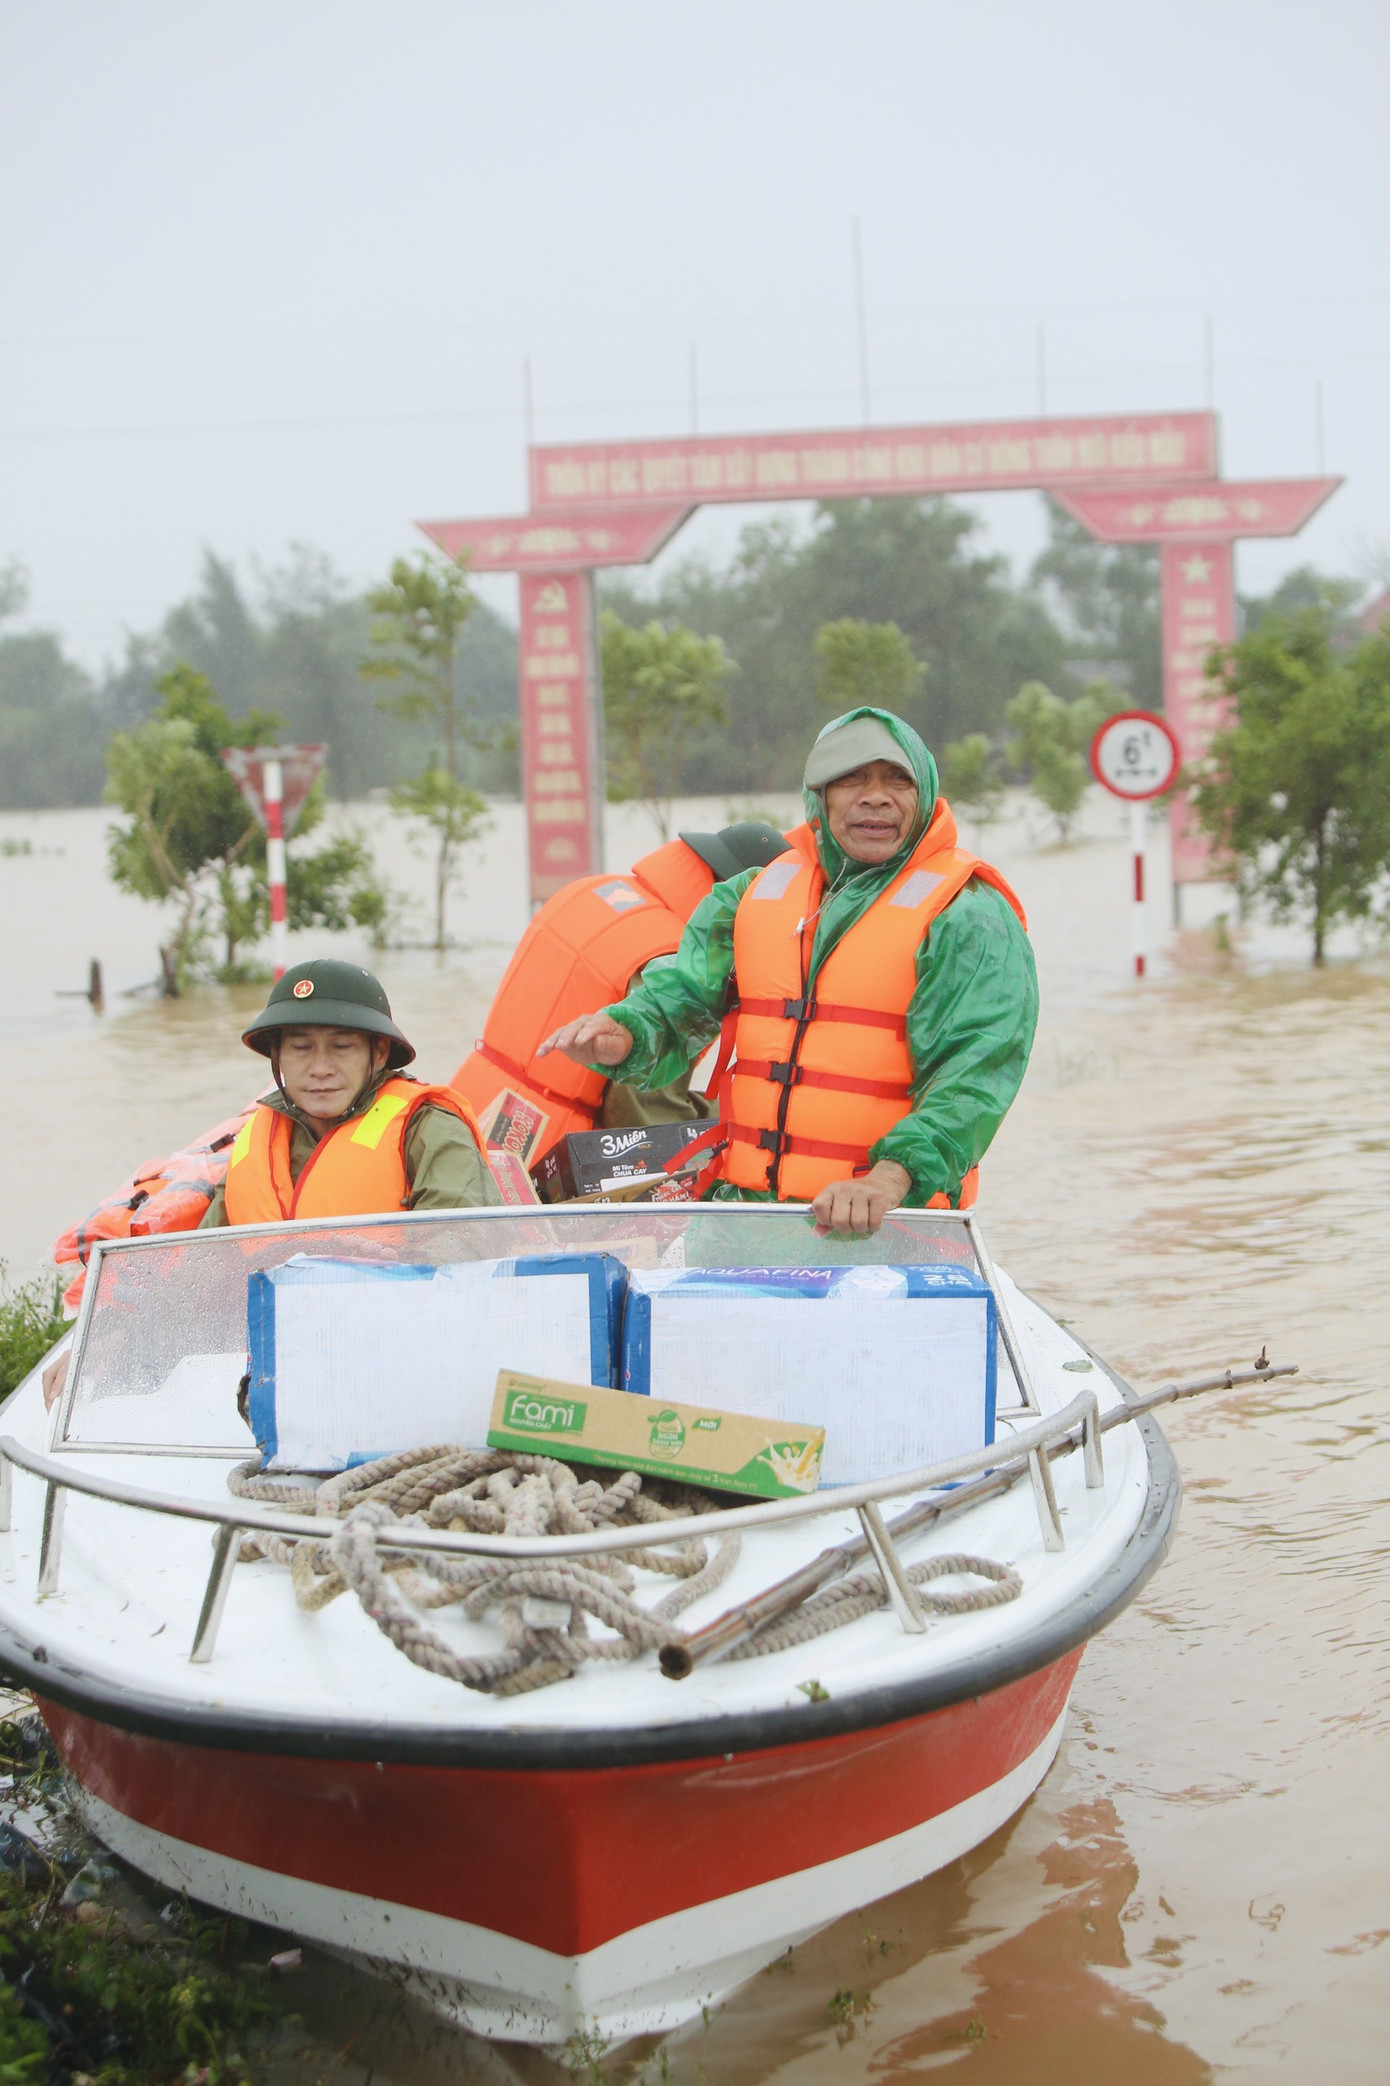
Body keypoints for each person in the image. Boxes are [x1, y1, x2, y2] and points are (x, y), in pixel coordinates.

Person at [539, 707, 1036, 1237]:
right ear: (817, 797)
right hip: (740, 1219)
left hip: (889, 1223)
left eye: (898, 778)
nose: (875, 796)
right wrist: (624, 1035)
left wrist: (888, 1180)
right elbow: (679, 1003)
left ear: (926, 792)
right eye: (851, 778)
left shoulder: (968, 915)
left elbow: (978, 1073)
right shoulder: (749, 896)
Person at [450, 822, 788, 1165]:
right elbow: (641, 1116)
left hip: (476, 1112)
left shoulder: (604, 894)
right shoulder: (671, 963)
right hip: (542, 1155)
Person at [203, 958, 501, 1226]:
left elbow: (460, 1248)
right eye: (301, 1048)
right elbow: (204, 1262)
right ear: (278, 1055)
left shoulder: (429, 1127)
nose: (320, 1068)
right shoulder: (253, 1139)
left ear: (380, 1053)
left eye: (342, 1047)